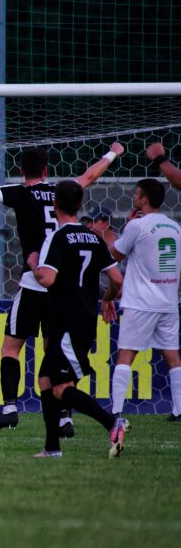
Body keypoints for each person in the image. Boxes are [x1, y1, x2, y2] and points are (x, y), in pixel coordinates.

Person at [0, 142, 124, 434]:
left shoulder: (21, 193)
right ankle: (64, 417)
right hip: (61, 288)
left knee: (11, 347)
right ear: (47, 170)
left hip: (34, 282)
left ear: (21, 171)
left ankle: (9, 409)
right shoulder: (61, 191)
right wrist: (112, 153)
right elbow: (89, 177)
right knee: (54, 353)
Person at [31, 180, 128, 458]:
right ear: (79, 205)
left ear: (54, 204)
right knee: (46, 381)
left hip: (66, 320)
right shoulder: (94, 237)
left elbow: (47, 277)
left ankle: (113, 422)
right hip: (81, 317)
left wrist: (35, 264)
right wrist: (107, 297)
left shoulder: (58, 237)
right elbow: (117, 279)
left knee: (62, 387)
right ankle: (52, 448)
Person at [108, 179, 181, 422]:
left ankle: (116, 410)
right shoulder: (175, 227)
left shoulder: (137, 226)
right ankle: (179, 410)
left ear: (144, 200)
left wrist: (129, 225)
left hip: (141, 302)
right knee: (172, 356)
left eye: (137, 194)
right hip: (168, 301)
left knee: (126, 355)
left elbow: (114, 255)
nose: (134, 197)